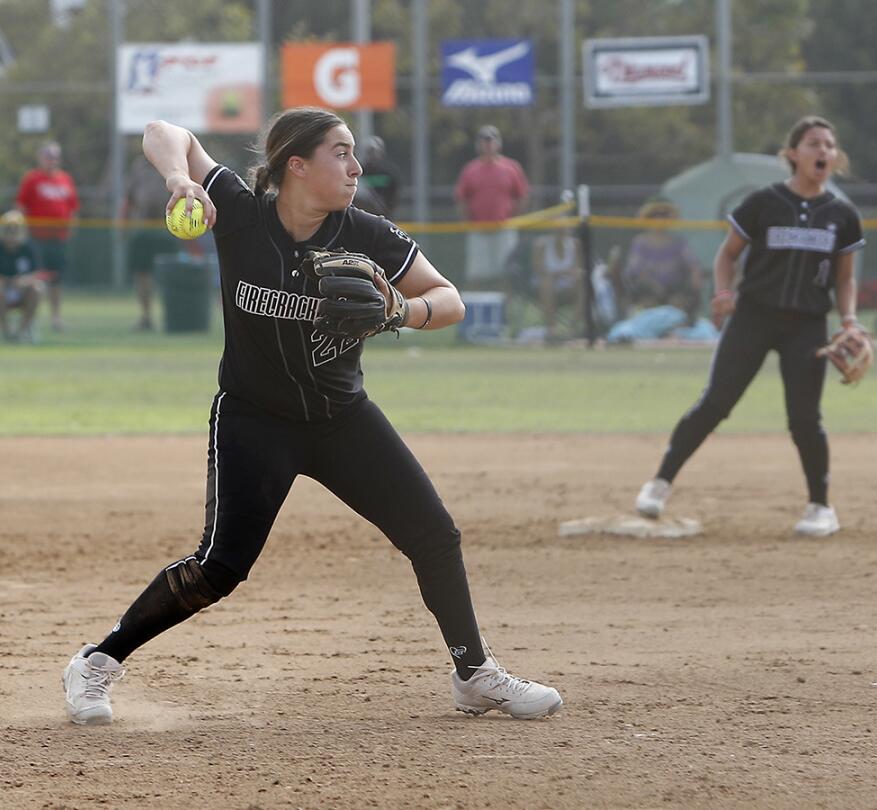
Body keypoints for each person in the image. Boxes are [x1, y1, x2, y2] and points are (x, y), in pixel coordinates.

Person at [61, 107, 563, 725]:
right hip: (254, 420)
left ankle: (474, 674)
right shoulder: (240, 214)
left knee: (435, 536)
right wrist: (179, 179)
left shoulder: (368, 232)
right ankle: (96, 661)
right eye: (341, 152)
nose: (356, 166)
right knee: (220, 567)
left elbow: (449, 299)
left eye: (354, 154)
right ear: (296, 165)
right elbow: (164, 132)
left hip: (341, 419)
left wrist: (401, 314)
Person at [634, 116, 865, 537]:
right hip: (754, 316)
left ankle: (820, 507)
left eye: (830, 146)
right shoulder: (764, 202)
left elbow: (845, 278)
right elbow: (727, 255)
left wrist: (849, 319)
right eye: (814, 144)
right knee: (715, 403)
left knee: (804, 419)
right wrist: (723, 293)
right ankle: (659, 483)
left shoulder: (842, 215)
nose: (823, 152)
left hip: (807, 323)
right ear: (793, 154)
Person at [15, 140, 79, 332]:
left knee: (56, 280)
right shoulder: (32, 179)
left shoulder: (65, 179)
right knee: (35, 279)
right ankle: (30, 318)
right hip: (36, 238)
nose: (53, 160)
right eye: (49, 156)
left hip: (58, 239)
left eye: (55, 157)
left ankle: (56, 318)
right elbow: (20, 207)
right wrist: (21, 232)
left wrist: (71, 228)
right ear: (41, 158)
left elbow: (73, 207)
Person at [454, 125, 530, 285]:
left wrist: (513, 218)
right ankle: (474, 308)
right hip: (479, 230)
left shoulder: (511, 167)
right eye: (484, 141)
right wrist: (468, 221)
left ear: (498, 143)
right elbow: (461, 198)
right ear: (478, 145)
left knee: (507, 273)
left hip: (504, 229)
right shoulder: (470, 169)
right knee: (476, 275)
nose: (488, 144)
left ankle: (506, 308)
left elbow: (522, 195)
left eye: (491, 140)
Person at [610, 198, 704, 321]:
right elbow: (634, 270)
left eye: (664, 214)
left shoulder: (678, 242)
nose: (660, 218)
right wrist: (653, 285)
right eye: (655, 215)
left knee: (677, 304)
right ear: (648, 217)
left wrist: (695, 280)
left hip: (674, 293)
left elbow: (693, 265)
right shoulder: (640, 242)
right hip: (648, 293)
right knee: (647, 304)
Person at [119, 155, 176, 331]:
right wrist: (124, 224)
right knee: (142, 275)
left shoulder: (172, 163)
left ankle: (173, 316)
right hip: (142, 229)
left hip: (167, 229)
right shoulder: (139, 167)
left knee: (170, 275)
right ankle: (146, 317)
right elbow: (128, 200)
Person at [0, 211, 47, 342]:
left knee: (37, 289)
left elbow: (35, 274)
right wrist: (6, 282)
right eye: (8, 229)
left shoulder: (28, 248)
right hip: (0, 289)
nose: (12, 233)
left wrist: (22, 282)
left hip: (21, 291)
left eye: (15, 229)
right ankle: (7, 332)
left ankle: (22, 331)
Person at [530, 223, 589, 338]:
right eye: (557, 230)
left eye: (563, 230)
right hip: (545, 286)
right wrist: (560, 273)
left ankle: (572, 329)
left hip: (567, 286)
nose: (561, 233)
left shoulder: (575, 245)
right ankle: (552, 330)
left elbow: (578, 269)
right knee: (546, 283)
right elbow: (538, 269)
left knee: (584, 283)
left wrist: (575, 273)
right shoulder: (541, 245)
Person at [358, 135, 401, 218]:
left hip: (384, 216)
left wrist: (387, 210)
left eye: (374, 151)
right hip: (362, 216)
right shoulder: (359, 171)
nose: (372, 154)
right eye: (369, 151)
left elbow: (395, 194)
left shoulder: (388, 173)